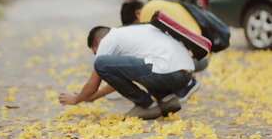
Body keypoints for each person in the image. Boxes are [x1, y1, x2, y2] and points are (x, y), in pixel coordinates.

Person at [59, 25, 194, 120]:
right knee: (149, 65)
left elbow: (94, 82)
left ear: (98, 41)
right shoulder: (133, 32)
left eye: (95, 51)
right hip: (185, 74)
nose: (97, 55)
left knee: (101, 63)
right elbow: (118, 79)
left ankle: (146, 106)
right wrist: (93, 97)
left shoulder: (108, 40)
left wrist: (77, 99)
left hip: (167, 72)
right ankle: (167, 100)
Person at [120, 0, 206, 102]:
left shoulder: (147, 15)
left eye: (135, 25)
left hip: (196, 58)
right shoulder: (154, 4)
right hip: (201, 52)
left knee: (147, 61)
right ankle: (179, 83)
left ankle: (187, 83)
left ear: (138, 13)